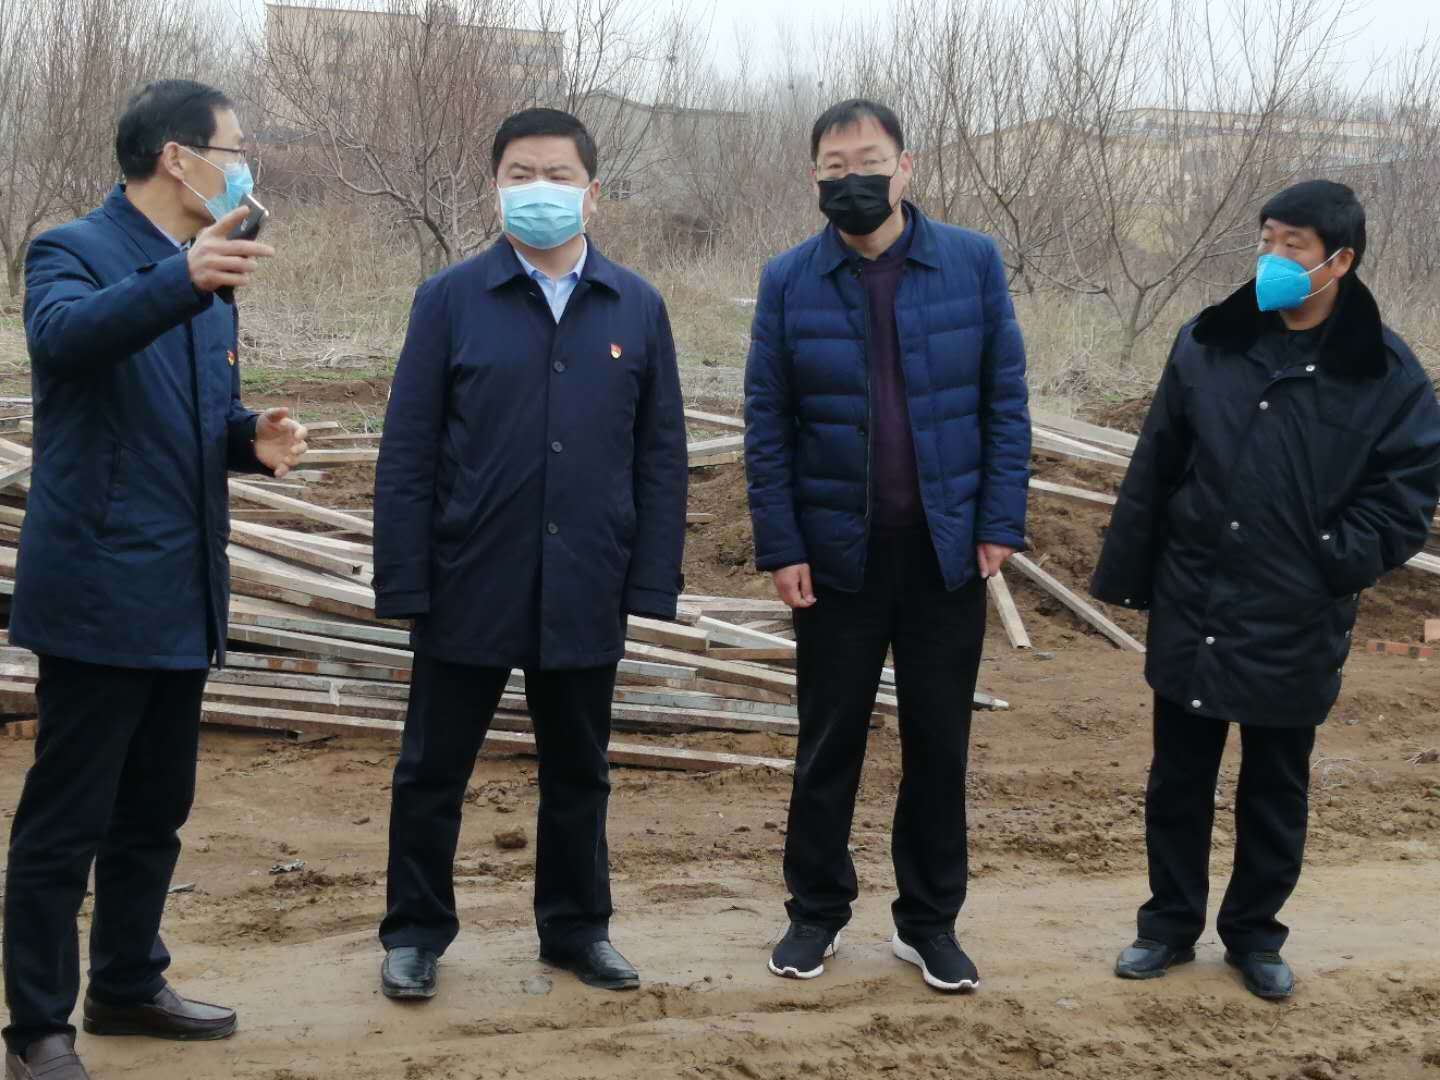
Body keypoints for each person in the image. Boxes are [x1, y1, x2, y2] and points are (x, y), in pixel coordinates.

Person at [3, 80, 307, 1080]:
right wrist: (182, 277)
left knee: (153, 812)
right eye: (236, 148)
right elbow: (64, 340)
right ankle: (37, 1028)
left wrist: (248, 438)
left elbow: (180, 418)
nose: (246, 166)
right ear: (180, 158)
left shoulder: (209, 271)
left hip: (183, 586)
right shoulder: (70, 251)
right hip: (98, 591)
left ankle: (128, 985)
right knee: (66, 820)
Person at [1091, 180, 1440, 1000]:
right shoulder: (1210, 340)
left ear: (1339, 262)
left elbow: (1405, 499)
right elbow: (1157, 462)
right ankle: (1167, 926)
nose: (1273, 257)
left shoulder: (1386, 374)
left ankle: (1254, 934)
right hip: (1197, 594)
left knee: (1275, 788)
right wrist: (1134, 575)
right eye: (1267, 239)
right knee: (1178, 779)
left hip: (1296, 611)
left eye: (1294, 245)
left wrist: (1330, 560)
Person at [373, 108, 687, 999]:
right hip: (469, 575)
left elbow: (659, 456)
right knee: (433, 769)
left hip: (586, 576)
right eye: (520, 174)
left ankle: (577, 930)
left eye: (557, 174)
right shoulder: (450, 300)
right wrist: (405, 581)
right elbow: (408, 451)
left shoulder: (636, 305)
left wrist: (648, 581)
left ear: (593, 192)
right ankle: (415, 932)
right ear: (495, 188)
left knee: (580, 771)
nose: (538, 189)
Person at [743, 99, 1030, 993]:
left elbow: (1004, 400)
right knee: (828, 742)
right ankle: (816, 912)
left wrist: (998, 520)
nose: (853, 178)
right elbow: (767, 422)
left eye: (869, 160)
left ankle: (929, 923)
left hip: (945, 553)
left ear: (907, 167)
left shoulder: (970, 262)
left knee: (938, 744)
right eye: (835, 165)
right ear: (815, 178)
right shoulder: (789, 279)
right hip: (837, 557)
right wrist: (783, 543)